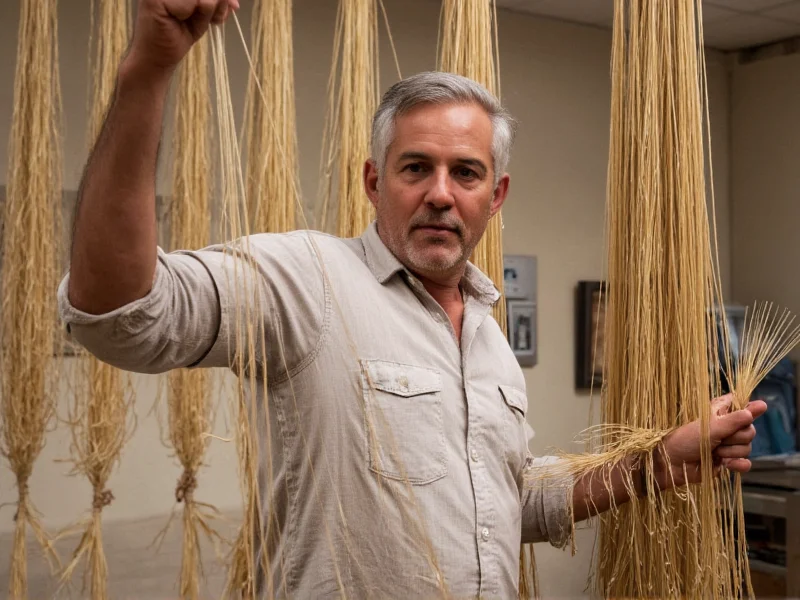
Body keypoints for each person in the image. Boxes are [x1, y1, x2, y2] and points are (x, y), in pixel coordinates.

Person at [59, 1, 766, 597]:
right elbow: (122, 314)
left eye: (465, 173)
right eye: (415, 168)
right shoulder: (307, 280)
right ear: (373, 182)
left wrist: (656, 466)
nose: (439, 192)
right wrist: (148, 69)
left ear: (496, 197)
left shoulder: (490, 339)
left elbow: (506, 500)